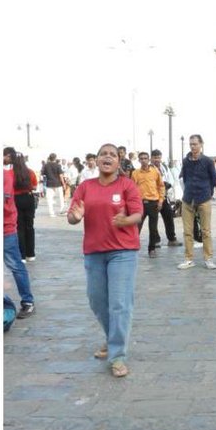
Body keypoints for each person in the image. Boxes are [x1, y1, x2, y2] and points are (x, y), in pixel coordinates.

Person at [66, 144, 143, 376]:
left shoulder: (127, 185)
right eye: (103, 154)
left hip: (123, 252)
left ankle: (117, 356)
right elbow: (73, 215)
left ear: (118, 163)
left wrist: (126, 221)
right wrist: (74, 217)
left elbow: (138, 213)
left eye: (112, 155)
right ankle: (112, 338)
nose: (107, 157)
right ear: (97, 161)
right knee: (96, 300)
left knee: (119, 304)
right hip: (94, 251)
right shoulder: (85, 187)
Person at [178, 134, 216, 270]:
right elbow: (184, 178)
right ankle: (189, 259)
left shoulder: (207, 161)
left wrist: (208, 193)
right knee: (187, 231)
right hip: (188, 199)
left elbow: (214, 179)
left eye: (195, 144)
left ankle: (208, 258)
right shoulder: (185, 161)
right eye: (191, 144)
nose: (193, 147)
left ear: (201, 144)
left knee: (206, 231)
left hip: (204, 198)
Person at [3, 161, 36, 318]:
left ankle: (27, 301)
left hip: (5, 229)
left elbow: (4, 204)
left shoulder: (5, 176)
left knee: (15, 265)